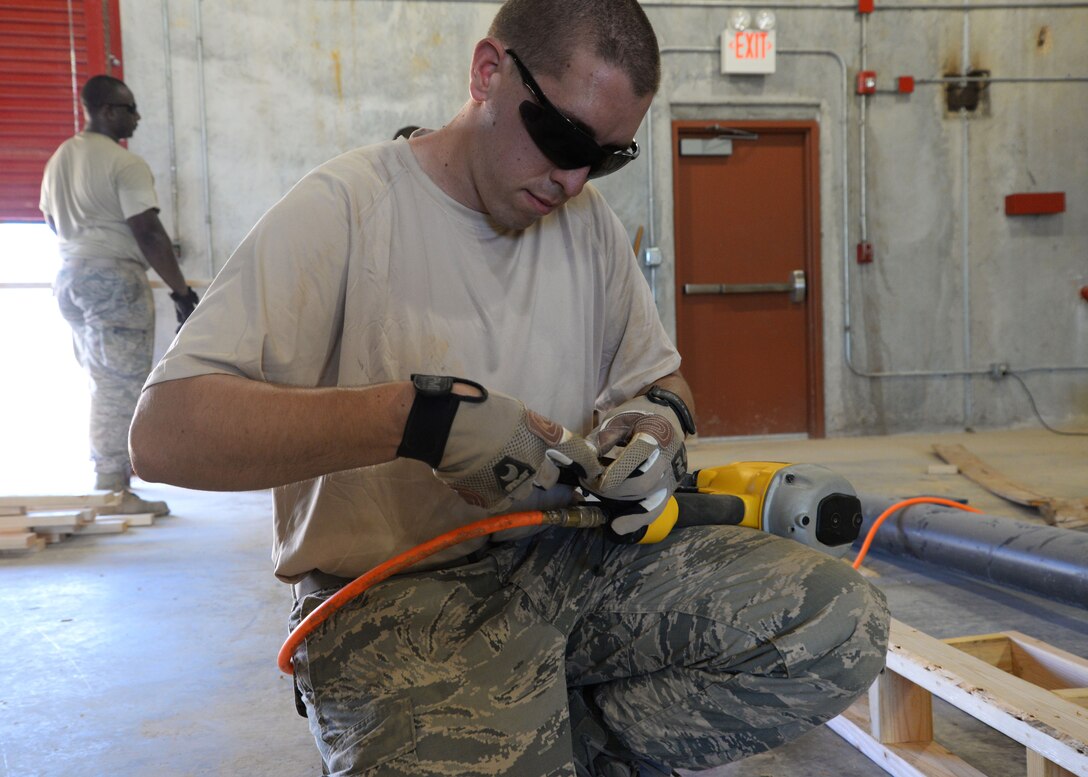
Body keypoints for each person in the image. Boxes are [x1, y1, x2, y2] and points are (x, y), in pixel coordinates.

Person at [130, 0, 889, 774]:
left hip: (569, 560)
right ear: (488, 72)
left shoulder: (585, 224)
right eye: (560, 138)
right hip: (394, 598)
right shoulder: (347, 210)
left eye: (606, 157)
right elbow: (162, 434)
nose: (571, 177)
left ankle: (558, 744)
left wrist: (653, 426)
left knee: (837, 620)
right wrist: (417, 422)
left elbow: (658, 378)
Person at [40, 74, 200, 516]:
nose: (137, 116)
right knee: (119, 384)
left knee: (100, 378)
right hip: (113, 280)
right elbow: (147, 231)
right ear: (108, 111)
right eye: (130, 108)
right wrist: (180, 290)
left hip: (71, 276)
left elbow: (52, 223)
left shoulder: (60, 158)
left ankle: (110, 478)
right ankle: (111, 488)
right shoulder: (123, 163)